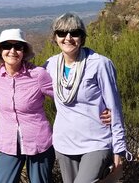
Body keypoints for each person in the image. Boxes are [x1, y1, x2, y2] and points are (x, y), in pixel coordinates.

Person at [44, 13, 131, 183]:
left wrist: (119, 149)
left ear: (82, 37)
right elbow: (30, 86)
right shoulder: (50, 65)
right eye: (61, 33)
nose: (68, 38)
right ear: (55, 37)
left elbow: (115, 108)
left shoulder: (99, 64)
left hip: (96, 141)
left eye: (74, 33)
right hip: (64, 143)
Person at [0, 28, 55, 183]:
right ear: (1, 51)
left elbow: (63, 98)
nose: (12, 51)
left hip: (38, 141)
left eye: (18, 47)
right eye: (7, 46)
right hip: (7, 141)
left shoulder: (38, 75)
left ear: (24, 51)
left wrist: (99, 110)